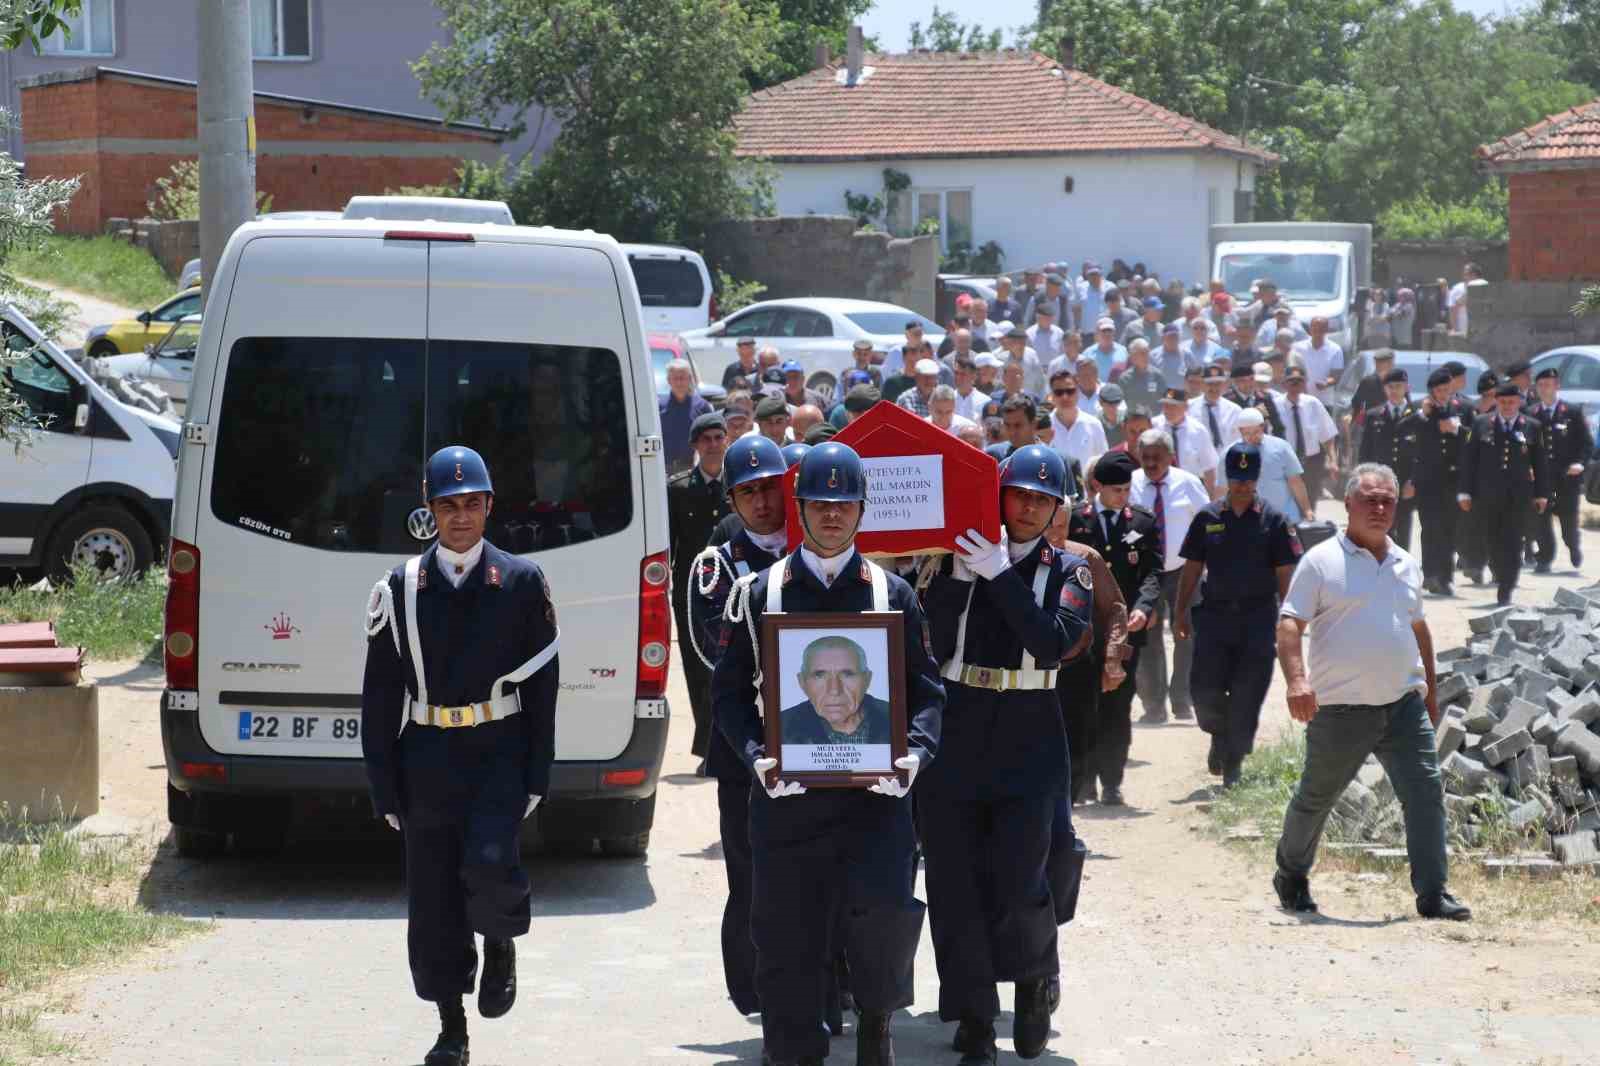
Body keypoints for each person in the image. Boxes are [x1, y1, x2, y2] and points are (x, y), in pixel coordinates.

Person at [712, 442, 944, 1066]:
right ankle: (790, 1050)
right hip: (788, 805)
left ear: (863, 509)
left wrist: (915, 756)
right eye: (820, 503)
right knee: (785, 942)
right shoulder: (760, 594)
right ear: (800, 507)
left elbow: (927, 691)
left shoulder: (892, 594)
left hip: (875, 801)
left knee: (881, 922)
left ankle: (875, 1023)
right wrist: (758, 756)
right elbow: (729, 697)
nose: (833, 516)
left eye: (845, 504)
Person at [361, 445, 559, 1066]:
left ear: (490, 506)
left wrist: (537, 771)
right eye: (449, 505)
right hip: (426, 754)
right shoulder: (401, 588)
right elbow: (379, 692)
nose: (462, 517)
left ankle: (500, 939)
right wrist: (383, 782)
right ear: (430, 508)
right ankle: (452, 1027)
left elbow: (544, 688)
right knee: (434, 899)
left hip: (498, 748)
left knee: (492, 866)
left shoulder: (522, 582)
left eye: (473, 503)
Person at [917, 445, 1093, 1064]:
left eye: (1043, 500)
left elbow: (1052, 643)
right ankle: (973, 1015)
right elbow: (924, 640)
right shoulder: (953, 559)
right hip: (959, 719)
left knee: (1021, 877)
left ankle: (1033, 982)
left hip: (1029, 728)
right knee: (953, 879)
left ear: (1055, 510)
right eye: (1020, 494)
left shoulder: (1070, 570)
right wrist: (958, 584)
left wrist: (999, 575)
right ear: (998, 495)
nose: (1029, 507)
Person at [1274, 463, 1470, 922]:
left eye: (1387, 500)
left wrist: (1430, 690)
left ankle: (1432, 893)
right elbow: (1289, 624)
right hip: (1341, 709)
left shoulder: (1405, 562)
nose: (1379, 508)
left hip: (1402, 705)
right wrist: (1298, 681)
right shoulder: (1321, 562)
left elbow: (1418, 626)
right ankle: (1292, 873)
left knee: (1425, 794)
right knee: (1316, 797)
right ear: (1348, 504)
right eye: (1370, 499)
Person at [685, 434, 791, 1021]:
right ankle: (751, 989)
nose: (761, 502)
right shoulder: (717, 565)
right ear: (731, 499)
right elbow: (709, 648)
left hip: (824, 736)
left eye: (770, 489)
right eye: (747, 492)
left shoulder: (819, 546)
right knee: (750, 870)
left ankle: (833, 979)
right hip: (746, 738)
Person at [1175, 442, 1302, 786]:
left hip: (1258, 618)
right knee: (1203, 691)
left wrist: (1286, 619)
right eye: (1236, 479)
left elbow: (1285, 574)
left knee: (1248, 693)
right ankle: (1218, 733)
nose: (1242, 486)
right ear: (1227, 478)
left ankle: (1233, 763)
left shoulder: (1274, 520)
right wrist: (1180, 611)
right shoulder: (1208, 517)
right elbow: (1191, 568)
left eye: (1248, 479)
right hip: (1214, 617)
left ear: (1257, 478)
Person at [1069, 451, 1162, 805]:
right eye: (1117, 490)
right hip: (1082, 630)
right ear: (1097, 487)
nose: (1124, 497)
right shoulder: (1075, 520)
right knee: (1083, 705)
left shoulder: (1142, 522)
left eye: (1127, 489)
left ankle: (1111, 780)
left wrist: (1144, 606)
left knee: (1118, 705)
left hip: (1125, 632)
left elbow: (1153, 572)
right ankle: (1083, 781)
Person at [1130, 428, 1210, 724]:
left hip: (1184, 570)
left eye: (1157, 457)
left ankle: (1182, 699)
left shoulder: (1188, 484)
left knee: (1186, 634)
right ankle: (1154, 706)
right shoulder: (1131, 484)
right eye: (1145, 457)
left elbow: (1208, 524)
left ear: (1170, 457)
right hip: (1143, 573)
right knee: (1147, 637)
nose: (1151, 463)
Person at [668, 413, 732, 769]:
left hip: (733, 593)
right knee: (698, 671)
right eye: (705, 439)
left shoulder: (738, 485)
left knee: (729, 668)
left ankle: (725, 746)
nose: (712, 444)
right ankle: (709, 748)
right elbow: (671, 546)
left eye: (718, 437)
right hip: (691, 594)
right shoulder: (678, 489)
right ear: (694, 445)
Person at [1459, 382, 1549, 606]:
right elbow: (1469, 461)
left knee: (1513, 541)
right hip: (1487, 496)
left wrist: (1542, 493)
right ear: (1496, 402)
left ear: (1519, 402)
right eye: (1503, 402)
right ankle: (1499, 572)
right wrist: (1465, 492)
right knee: (1492, 539)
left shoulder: (1532, 426)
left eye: (1512, 402)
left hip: (1519, 497)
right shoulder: (1481, 424)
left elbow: (1540, 463)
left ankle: (1506, 586)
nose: (1507, 406)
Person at [1527, 366, 1593, 571]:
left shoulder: (1571, 412)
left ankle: (1573, 546)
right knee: (1541, 518)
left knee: (1567, 520)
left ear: (1557, 387)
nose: (1544, 389)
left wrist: (1580, 463)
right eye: (1541, 385)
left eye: (1549, 385)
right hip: (1541, 478)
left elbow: (1586, 443)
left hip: (1566, 476)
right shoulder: (1531, 413)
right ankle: (1545, 557)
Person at [1410, 368, 1469, 595]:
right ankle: (1431, 574)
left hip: (1453, 479)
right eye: (1439, 390)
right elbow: (1405, 434)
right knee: (1431, 527)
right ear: (1431, 391)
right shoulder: (1422, 409)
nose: (1443, 394)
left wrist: (1457, 430)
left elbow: (1476, 436)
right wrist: (1423, 416)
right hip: (1428, 479)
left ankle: (1446, 576)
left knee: (1450, 529)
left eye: (1446, 389)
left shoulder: (1462, 408)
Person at [1356, 368, 1419, 551]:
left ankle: (1402, 569)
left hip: (1406, 481)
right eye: (1390, 387)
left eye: (1398, 386)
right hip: (1380, 482)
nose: (1394, 391)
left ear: (1407, 387)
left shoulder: (1417, 415)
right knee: (1381, 525)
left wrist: (1414, 481)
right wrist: (1364, 480)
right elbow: (1365, 452)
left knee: (1404, 526)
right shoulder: (1374, 415)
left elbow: (1422, 454)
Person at [1225, 409, 1311, 523]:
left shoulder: (1281, 447)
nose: (1252, 437)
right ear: (1240, 431)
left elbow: (1295, 481)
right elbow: (1223, 487)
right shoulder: (1231, 453)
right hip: (1248, 519)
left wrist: (1307, 510)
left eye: (1256, 432)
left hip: (1284, 515)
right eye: (1247, 433)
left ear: (1263, 427)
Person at [1274, 369, 1339, 503]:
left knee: (1309, 504)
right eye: (1292, 381)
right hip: (1284, 464)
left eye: (1300, 381)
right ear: (1284, 384)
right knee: (1286, 505)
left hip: (1311, 463)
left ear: (1305, 384)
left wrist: (1333, 460)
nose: (1296, 384)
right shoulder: (1274, 406)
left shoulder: (1313, 404)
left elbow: (1327, 436)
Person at [1153, 388, 1219, 494]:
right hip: (1158, 489)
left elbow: (1209, 468)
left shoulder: (1198, 431)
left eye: (1173, 406)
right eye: (1165, 405)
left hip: (1189, 490)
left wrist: (1209, 499)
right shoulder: (1153, 426)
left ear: (1185, 407)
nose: (1168, 410)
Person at [1044, 368, 1108, 472]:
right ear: (1051, 396)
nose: (1065, 397)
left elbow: (1104, 463)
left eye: (1070, 391)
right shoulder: (1043, 427)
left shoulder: (1093, 424)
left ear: (1078, 392)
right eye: (1059, 392)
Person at [661, 359, 713, 475]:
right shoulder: (658, 406)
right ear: (669, 380)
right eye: (675, 378)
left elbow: (711, 438)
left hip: (693, 469)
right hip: (663, 469)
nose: (679, 382)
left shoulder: (702, 406)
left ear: (689, 379)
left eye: (682, 378)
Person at [1192, 364, 1242, 455]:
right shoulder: (1189, 408)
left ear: (1224, 385)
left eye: (1218, 383)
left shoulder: (1234, 410)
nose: (1214, 388)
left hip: (1227, 462)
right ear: (1202, 384)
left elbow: (1239, 441)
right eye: (1210, 384)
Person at [1292, 317, 1344, 404]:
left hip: (1324, 401)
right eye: (1315, 327)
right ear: (1310, 329)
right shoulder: (1298, 348)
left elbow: (1336, 376)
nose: (1317, 331)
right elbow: (1292, 370)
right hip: (1301, 400)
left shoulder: (1335, 349)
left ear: (1326, 330)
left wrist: (1326, 383)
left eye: (1321, 328)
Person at [996, 325, 1047, 398]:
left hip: (1030, 399)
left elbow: (1041, 382)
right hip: (1008, 400)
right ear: (1009, 344)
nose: (1021, 345)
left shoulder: (1032, 355)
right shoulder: (1001, 359)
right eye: (1017, 342)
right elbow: (999, 384)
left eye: (1023, 342)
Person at [1026, 301, 1067, 368]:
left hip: (1055, 369)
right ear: (1038, 317)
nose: (1049, 320)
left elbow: (1063, 353)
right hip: (1036, 369)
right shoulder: (1029, 334)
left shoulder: (1059, 332)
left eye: (1050, 318)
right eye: (1046, 318)